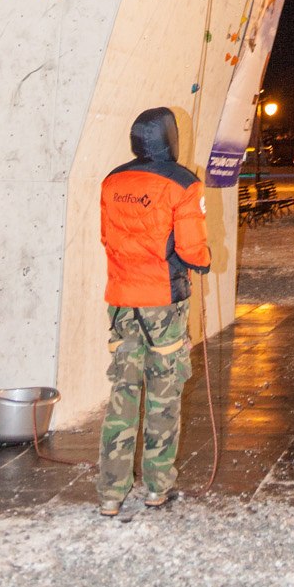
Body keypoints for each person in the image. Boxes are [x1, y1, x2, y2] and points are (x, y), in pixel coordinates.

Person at [97, 106, 211, 517]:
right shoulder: (183, 184)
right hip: (162, 302)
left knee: (123, 392)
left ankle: (111, 491)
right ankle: (156, 487)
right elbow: (192, 249)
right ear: (170, 139)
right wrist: (204, 259)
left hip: (121, 302)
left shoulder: (113, 180)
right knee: (164, 394)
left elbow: (107, 236)